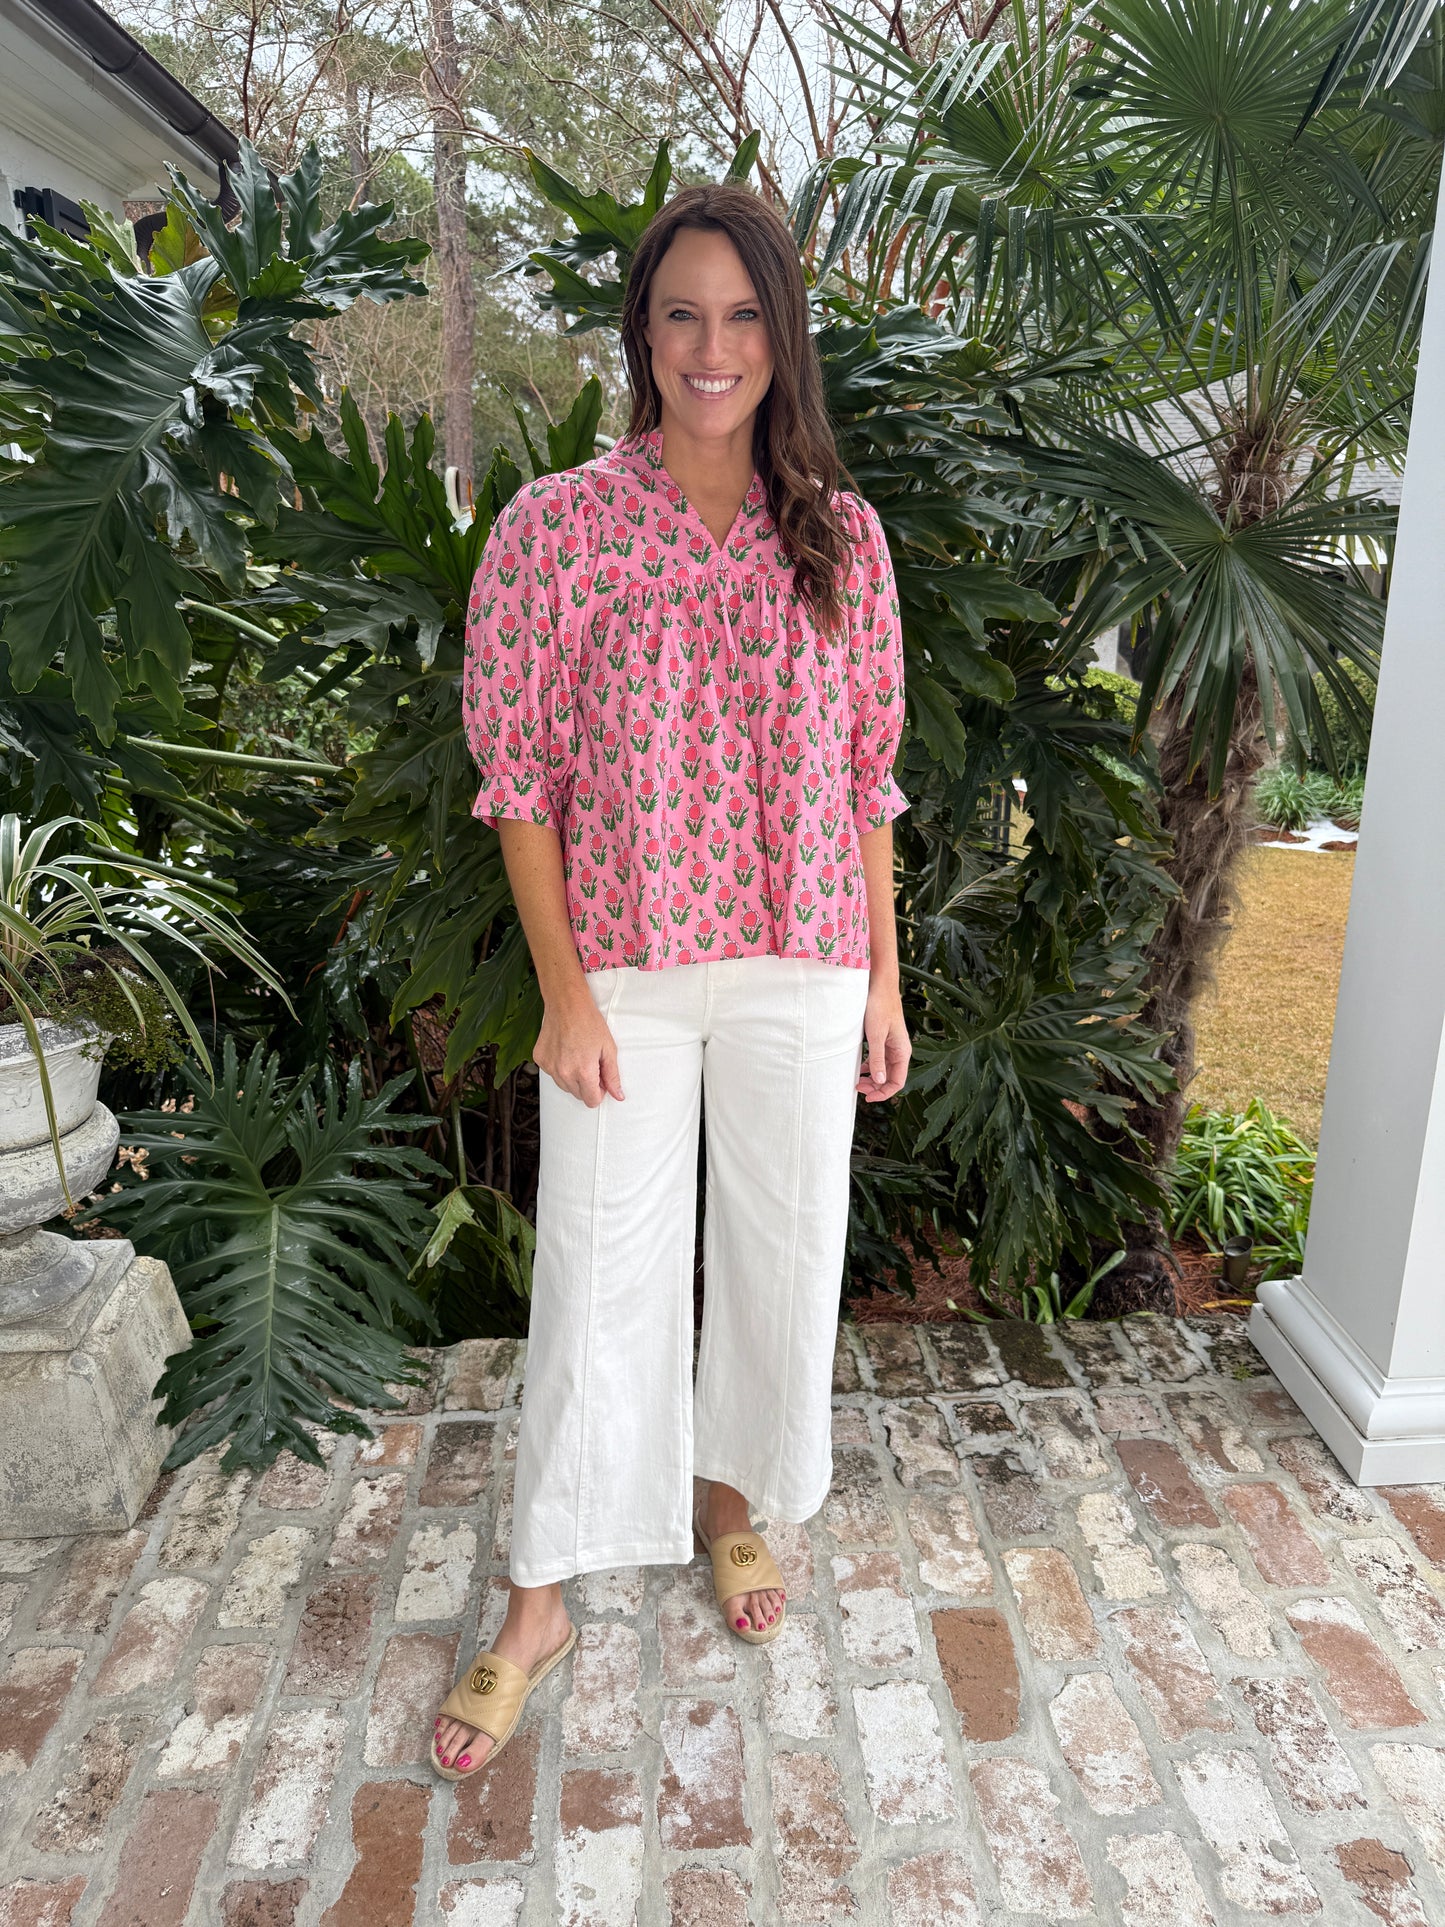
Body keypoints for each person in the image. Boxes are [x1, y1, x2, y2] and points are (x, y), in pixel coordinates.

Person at [432, 181, 910, 1781]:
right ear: (643, 330)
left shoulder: (839, 535)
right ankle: (539, 1591)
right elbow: (522, 784)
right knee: (598, 1278)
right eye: (683, 314)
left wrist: (883, 985)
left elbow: (865, 784)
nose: (714, 348)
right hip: (626, 976)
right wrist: (563, 993)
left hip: (799, 967)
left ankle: (726, 1505)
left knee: (779, 1259)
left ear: (783, 336)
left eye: (745, 315)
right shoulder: (556, 528)